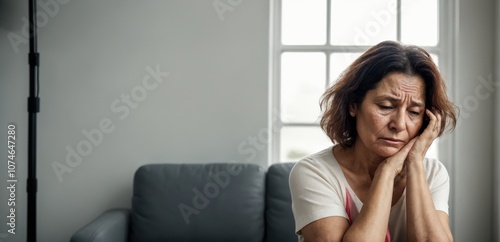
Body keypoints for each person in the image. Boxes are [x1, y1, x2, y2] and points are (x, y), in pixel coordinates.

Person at [289, 40, 458, 242]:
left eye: (414, 112)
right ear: (353, 105)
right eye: (386, 106)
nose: (399, 124)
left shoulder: (433, 174)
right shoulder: (314, 172)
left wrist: (414, 163)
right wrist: (386, 172)